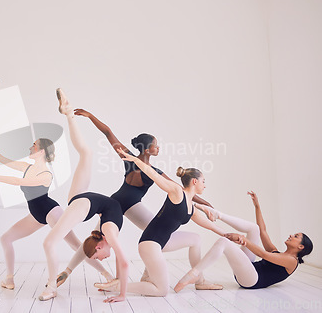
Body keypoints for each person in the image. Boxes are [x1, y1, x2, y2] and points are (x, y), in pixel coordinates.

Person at [56, 109, 216, 289]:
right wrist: (206, 204)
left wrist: (90, 116)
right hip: (121, 207)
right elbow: (182, 189)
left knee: (105, 237)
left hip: (115, 204)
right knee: (151, 237)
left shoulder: (129, 159)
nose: (158, 148)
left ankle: (73, 271)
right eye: (156, 145)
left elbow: (108, 132)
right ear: (148, 149)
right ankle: (83, 273)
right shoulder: (151, 171)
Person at [0, 132, 112, 290]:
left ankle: (108, 275)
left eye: (33, 146)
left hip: (51, 212)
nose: (30, 148)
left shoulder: (46, 175)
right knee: (6, 238)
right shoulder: (26, 168)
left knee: (76, 245)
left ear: (41, 151)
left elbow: (18, 181)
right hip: (35, 215)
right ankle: (9, 280)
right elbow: (2, 158)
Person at [39, 89, 129, 303]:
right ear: (99, 246)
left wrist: (69, 271)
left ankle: (68, 113)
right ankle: (51, 288)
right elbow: (124, 262)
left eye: (100, 259)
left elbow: (85, 249)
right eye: (100, 258)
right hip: (85, 203)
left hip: (84, 200)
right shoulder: (108, 232)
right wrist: (122, 295)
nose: (103, 258)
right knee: (49, 243)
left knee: (87, 154)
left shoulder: (104, 234)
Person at [94, 156, 226, 296]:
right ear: (195, 181)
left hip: (162, 242)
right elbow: (156, 176)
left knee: (196, 239)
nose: (204, 185)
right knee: (161, 291)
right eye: (203, 181)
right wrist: (137, 161)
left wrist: (226, 234)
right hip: (150, 244)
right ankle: (118, 286)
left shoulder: (190, 207)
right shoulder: (177, 191)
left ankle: (200, 281)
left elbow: (208, 225)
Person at [174, 191, 313, 291]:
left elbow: (264, 255)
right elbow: (262, 231)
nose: (291, 235)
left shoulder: (292, 261)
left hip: (252, 280)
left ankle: (193, 274)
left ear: (301, 246)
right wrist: (257, 207)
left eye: (295, 236)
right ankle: (218, 215)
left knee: (224, 242)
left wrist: (244, 240)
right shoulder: (279, 253)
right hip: (249, 269)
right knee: (254, 229)